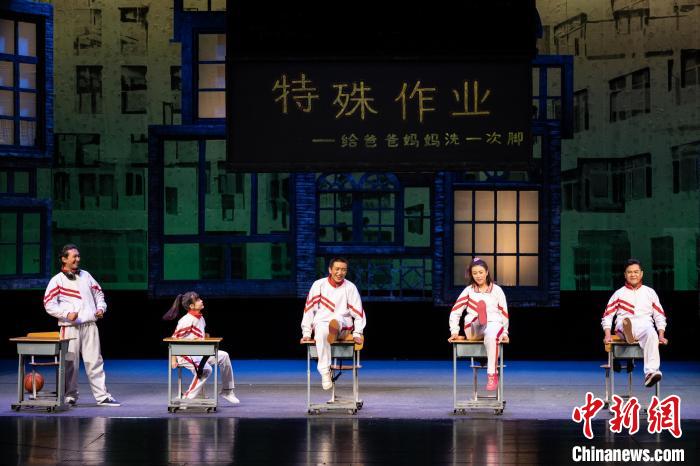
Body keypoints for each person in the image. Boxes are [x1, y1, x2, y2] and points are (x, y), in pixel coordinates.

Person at [43, 244, 120, 406]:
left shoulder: (86, 275)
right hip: (69, 328)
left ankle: (102, 396)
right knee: (69, 364)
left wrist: (101, 308)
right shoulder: (57, 280)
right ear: (64, 259)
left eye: (78, 256)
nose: (78, 259)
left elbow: (98, 293)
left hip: (90, 325)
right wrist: (66, 314)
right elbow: (48, 304)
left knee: (95, 361)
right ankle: (70, 396)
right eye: (74, 256)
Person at [301, 257, 366, 390]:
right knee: (321, 331)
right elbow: (309, 310)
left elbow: (359, 313)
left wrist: (357, 333)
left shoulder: (350, 287)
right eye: (337, 269)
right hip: (323, 323)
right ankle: (325, 372)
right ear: (330, 270)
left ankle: (334, 330)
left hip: (343, 324)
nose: (340, 272)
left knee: (337, 320)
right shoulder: (318, 285)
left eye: (343, 270)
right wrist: (306, 333)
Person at [163, 291, 240, 404]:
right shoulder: (186, 320)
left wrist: (205, 338)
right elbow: (174, 338)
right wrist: (173, 359)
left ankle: (227, 391)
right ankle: (187, 398)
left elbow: (199, 335)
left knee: (224, 356)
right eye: (198, 300)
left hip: (199, 352)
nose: (201, 301)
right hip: (185, 354)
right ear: (191, 306)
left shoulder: (200, 318)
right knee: (206, 369)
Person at [602, 259, 667, 387]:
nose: (633, 275)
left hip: (644, 326)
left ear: (641, 274)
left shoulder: (650, 292)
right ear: (625, 275)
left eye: (636, 272)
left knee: (651, 334)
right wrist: (607, 335)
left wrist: (661, 335)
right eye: (630, 272)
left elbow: (659, 315)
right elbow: (607, 315)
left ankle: (650, 373)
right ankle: (628, 334)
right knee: (624, 324)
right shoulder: (619, 293)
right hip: (624, 324)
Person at [448, 257, 509, 391]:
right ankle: (480, 320)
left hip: (493, 325)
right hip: (473, 329)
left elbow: (504, 312)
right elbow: (456, 311)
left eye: (481, 272)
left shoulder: (497, 290)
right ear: (471, 274)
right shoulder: (469, 290)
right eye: (475, 273)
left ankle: (492, 375)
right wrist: (454, 331)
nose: (478, 276)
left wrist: (505, 332)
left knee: (491, 335)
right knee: (476, 324)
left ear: (487, 272)